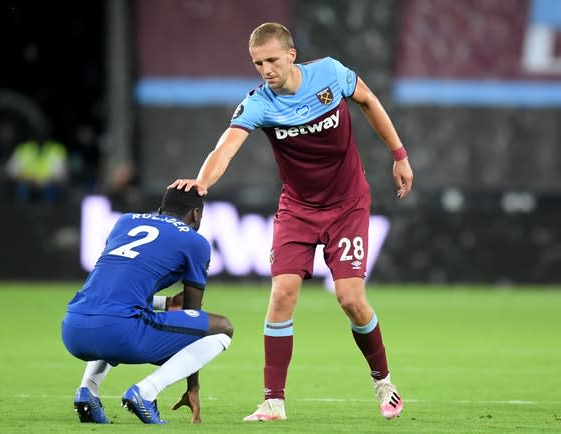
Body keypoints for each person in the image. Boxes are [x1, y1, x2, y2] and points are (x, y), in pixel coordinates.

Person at [170, 22, 413, 421]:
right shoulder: (259, 103)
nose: (265, 69)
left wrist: (399, 155)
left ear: (291, 55)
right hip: (297, 209)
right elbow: (225, 147)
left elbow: (369, 100)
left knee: (351, 300)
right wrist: (202, 181)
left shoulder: (331, 74)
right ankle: (273, 402)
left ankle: (384, 381)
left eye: (271, 60)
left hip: (348, 204)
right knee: (282, 294)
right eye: (257, 63)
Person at [61, 186, 233, 425]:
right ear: (196, 215)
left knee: (118, 311)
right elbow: (193, 317)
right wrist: (192, 386)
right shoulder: (195, 242)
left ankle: (87, 390)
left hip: (72, 328)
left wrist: (164, 303)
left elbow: (115, 286)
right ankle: (146, 392)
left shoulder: (125, 221)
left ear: (161, 210)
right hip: (118, 333)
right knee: (223, 328)